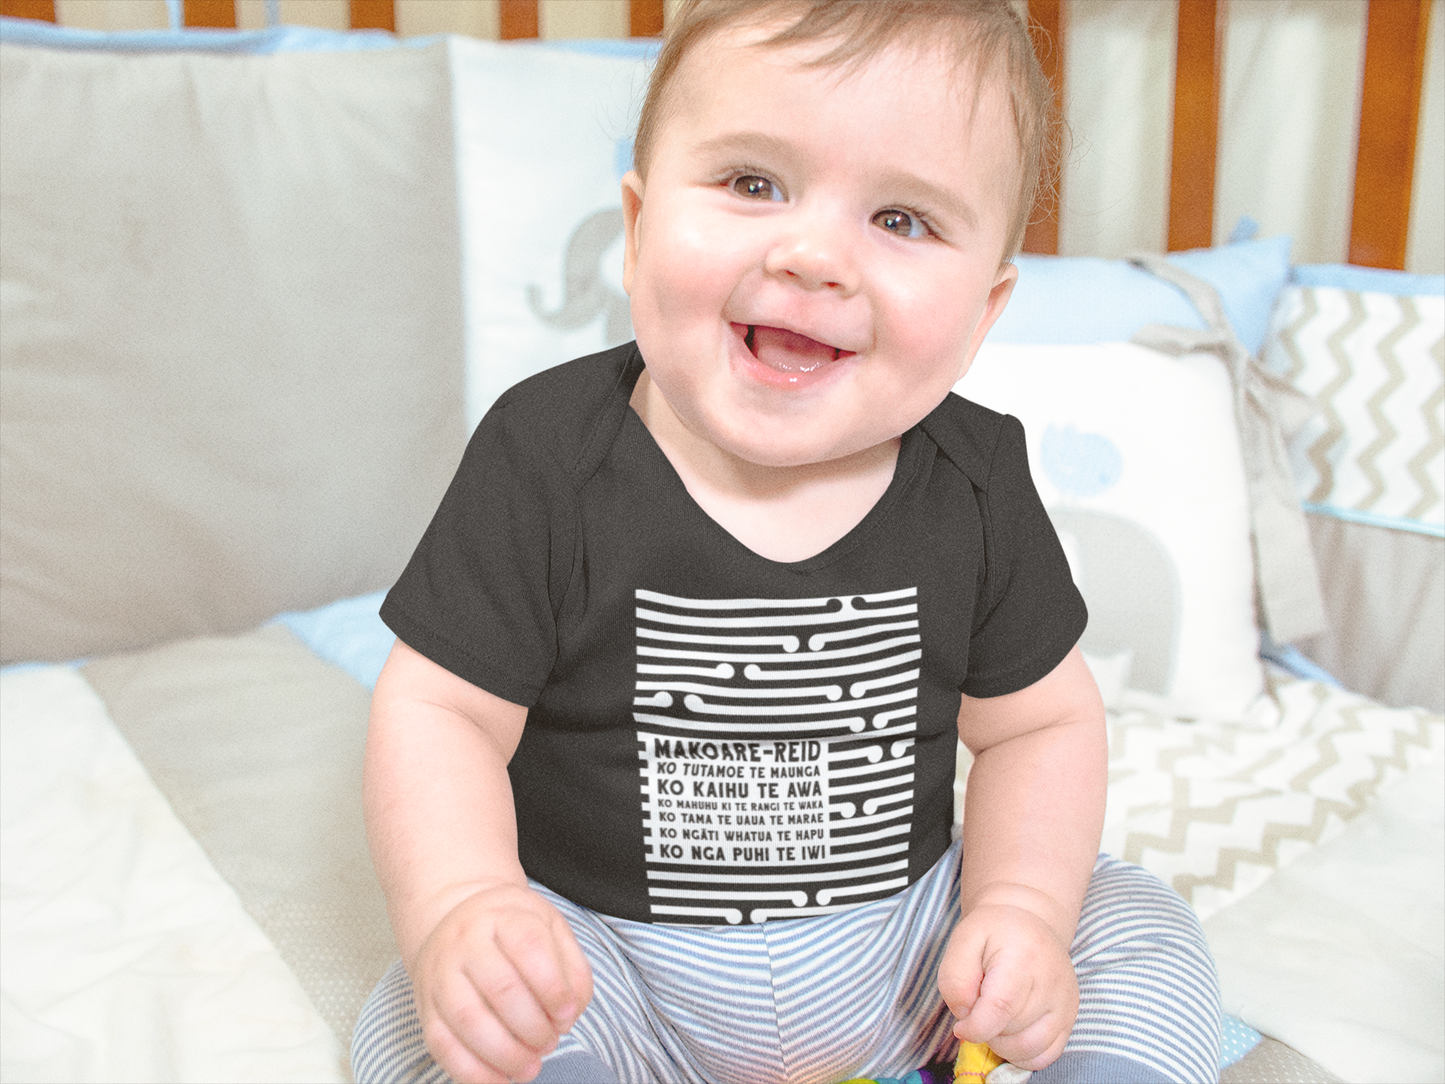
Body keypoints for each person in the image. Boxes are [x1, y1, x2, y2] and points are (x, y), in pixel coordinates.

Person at [352, 2, 1221, 1082]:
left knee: (1138, 922)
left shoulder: (976, 481)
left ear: (983, 310)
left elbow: (1040, 726)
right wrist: (463, 906)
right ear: (635, 227)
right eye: (752, 183)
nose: (812, 256)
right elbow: (438, 711)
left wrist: (1017, 913)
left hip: (913, 967)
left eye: (901, 220)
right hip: (611, 970)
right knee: (441, 1010)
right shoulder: (545, 458)